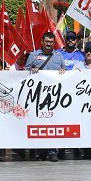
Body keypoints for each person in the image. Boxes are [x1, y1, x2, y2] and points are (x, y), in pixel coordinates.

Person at [25, 32, 66, 162]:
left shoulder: (59, 56)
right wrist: (31, 70)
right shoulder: (33, 55)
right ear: (42, 41)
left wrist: (63, 72)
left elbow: (65, 73)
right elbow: (24, 72)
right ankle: (41, 150)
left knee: (53, 123)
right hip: (37, 97)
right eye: (47, 41)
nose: (49, 44)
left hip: (55, 97)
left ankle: (53, 151)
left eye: (51, 42)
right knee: (40, 124)